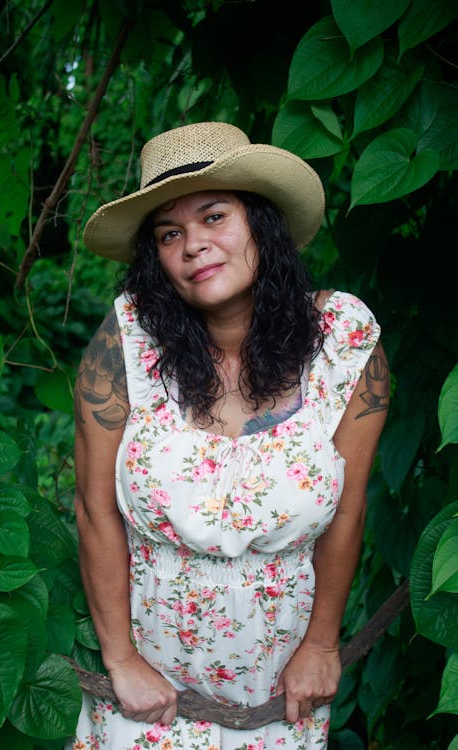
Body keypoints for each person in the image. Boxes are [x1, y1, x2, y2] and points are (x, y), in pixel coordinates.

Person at [68, 121, 389, 749]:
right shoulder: (128, 341)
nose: (193, 245)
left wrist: (323, 643)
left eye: (214, 216)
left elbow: (349, 508)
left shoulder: (343, 344)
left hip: (279, 694)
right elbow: (93, 508)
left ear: (261, 224)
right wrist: (121, 659)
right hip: (146, 693)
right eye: (170, 233)